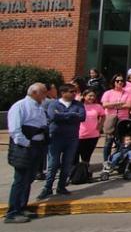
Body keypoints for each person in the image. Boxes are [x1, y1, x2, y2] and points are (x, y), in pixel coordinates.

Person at [5, 83, 49, 224]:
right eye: (43, 92)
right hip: (25, 147)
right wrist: (27, 144)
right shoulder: (20, 106)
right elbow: (14, 130)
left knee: (29, 179)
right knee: (20, 179)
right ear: (35, 92)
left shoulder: (39, 107)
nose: (45, 95)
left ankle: (22, 206)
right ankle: (12, 212)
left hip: (38, 145)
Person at [38, 85, 86, 200]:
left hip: (72, 138)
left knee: (67, 164)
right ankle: (48, 187)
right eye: (71, 91)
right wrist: (72, 115)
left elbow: (82, 117)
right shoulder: (53, 104)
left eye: (75, 91)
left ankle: (61, 186)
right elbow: (53, 116)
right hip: (55, 138)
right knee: (53, 164)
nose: (74, 93)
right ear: (63, 93)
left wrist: (63, 116)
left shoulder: (78, 104)